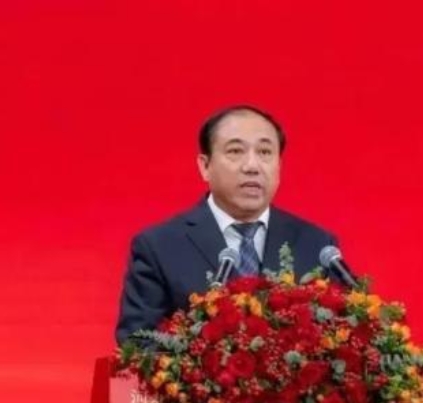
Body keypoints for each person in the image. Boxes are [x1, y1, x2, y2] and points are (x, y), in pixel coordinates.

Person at [115, 105, 338, 344]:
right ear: (205, 166)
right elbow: (137, 344)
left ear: (279, 165)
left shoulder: (317, 245)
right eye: (235, 151)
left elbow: (344, 334)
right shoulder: (159, 247)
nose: (252, 166)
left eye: (265, 152)